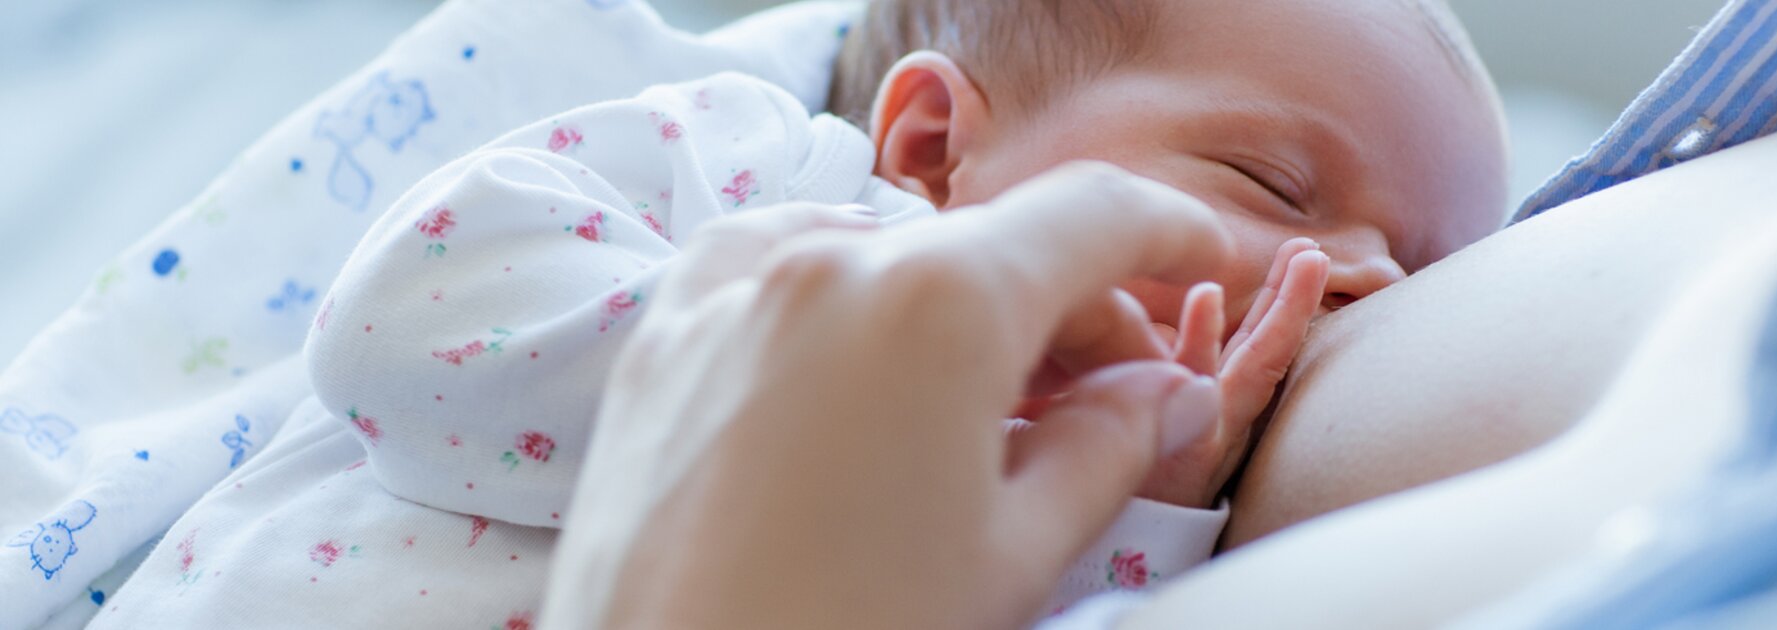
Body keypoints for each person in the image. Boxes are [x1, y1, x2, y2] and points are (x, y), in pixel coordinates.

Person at [285, 0, 1506, 617]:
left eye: (1422, 269)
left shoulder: (1160, 484)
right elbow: (405, 323)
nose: (1369, 280)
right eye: (1273, 183)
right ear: (932, 147)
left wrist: (1148, 506)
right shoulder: (759, 178)